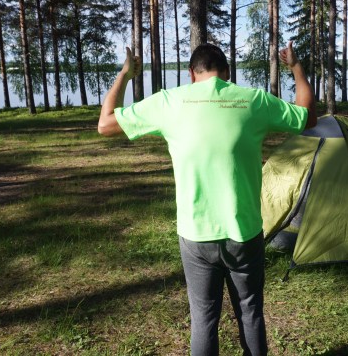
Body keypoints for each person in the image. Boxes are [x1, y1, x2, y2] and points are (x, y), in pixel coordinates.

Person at [98, 42, 316, 355]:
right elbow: (307, 117)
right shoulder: (252, 100)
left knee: (203, 319)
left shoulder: (169, 102)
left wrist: (125, 74)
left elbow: (105, 124)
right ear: (226, 73)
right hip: (244, 234)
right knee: (250, 312)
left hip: (196, 235)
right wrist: (295, 67)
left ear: (191, 74)